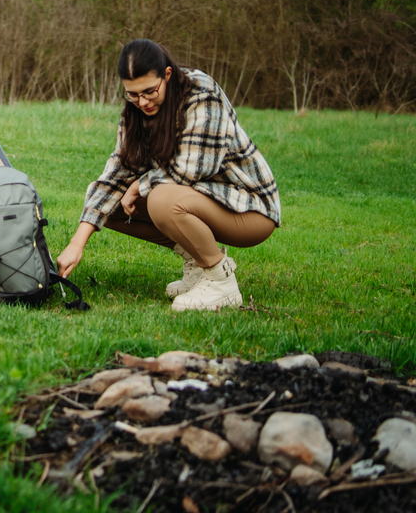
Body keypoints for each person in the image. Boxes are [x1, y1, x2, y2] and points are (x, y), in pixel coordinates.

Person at [55, 39, 280, 311]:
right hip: (202, 200)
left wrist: (139, 184)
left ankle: (221, 282)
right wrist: (77, 244)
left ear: (168, 75)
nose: (143, 101)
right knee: (109, 203)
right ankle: (199, 266)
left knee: (161, 199)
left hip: (249, 210)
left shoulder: (201, 93)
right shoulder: (136, 112)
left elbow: (193, 170)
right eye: (133, 94)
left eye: (150, 91)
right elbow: (114, 177)